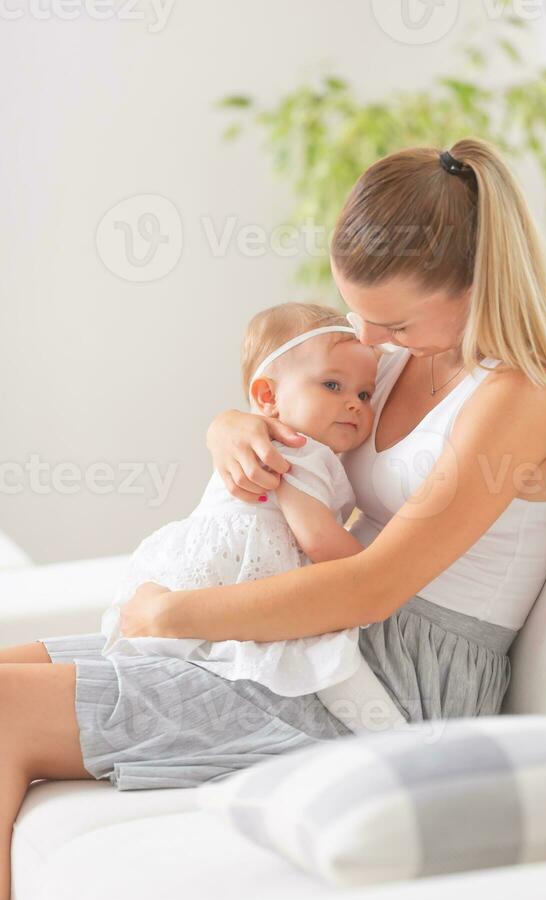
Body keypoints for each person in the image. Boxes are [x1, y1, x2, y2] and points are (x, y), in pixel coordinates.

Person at [0, 137, 546, 900]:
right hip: (319, 628)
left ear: (478, 282)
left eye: (391, 318)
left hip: (389, 680)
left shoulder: (524, 398)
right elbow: (293, 407)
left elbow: (373, 585)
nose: (370, 336)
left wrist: (169, 615)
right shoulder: (402, 359)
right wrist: (229, 427)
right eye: (358, 312)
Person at [99, 301, 407, 734]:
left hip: (204, 572)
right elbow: (319, 542)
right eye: (332, 385)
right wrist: (376, 569)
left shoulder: (275, 440)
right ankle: (396, 736)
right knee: (331, 659)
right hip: (245, 573)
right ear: (268, 397)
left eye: (363, 394)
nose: (355, 405)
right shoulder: (295, 449)